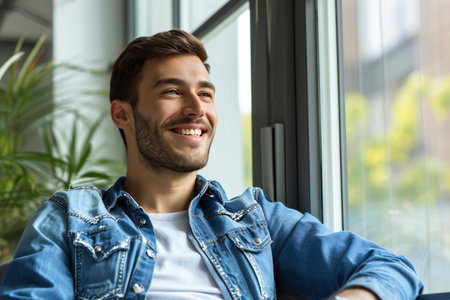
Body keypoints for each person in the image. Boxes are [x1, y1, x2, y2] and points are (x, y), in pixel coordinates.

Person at [0, 29, 423, 300]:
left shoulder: (256, 221)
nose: (195, 109)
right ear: (122, 115)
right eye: (172, 91)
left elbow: (391, 268)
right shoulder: (70, 218)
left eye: (205, 93)